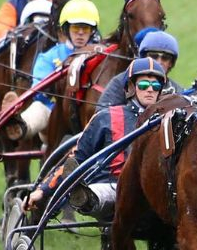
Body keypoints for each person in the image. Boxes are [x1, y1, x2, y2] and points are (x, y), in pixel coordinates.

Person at [26, 57, 168, 219]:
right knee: (111, 193)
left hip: (155, 190)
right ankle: (85, 197)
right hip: (113, 186)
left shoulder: (168, 120)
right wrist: (43, 190)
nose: (150, 89)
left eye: (155, 86)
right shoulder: (106, 117)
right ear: (131, 87)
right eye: (143, 85)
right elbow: (78, 158)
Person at [14, 0, 101, 138]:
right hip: (53, 114)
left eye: (85, 28)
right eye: (75, 28)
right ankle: (20, 126)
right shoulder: (49, 56)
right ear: (66, 29)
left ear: (92, 31)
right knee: (39, 107)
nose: (80, 33)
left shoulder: (100, 55)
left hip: (87, 116)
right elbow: (38, 92)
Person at [96, 29, 191, 108]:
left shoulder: (177, 90)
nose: (159, 62)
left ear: (171, 63)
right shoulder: (120, 82)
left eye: (165, 58)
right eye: (154, 56)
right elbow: (102, 116)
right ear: (143, 57)